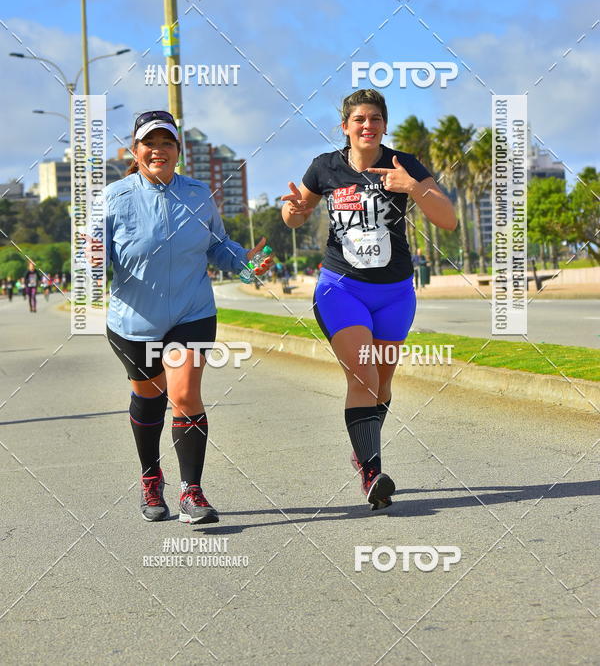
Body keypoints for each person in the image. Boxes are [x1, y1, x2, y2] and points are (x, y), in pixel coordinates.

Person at [281, 89, 457, 511]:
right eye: (359, 119)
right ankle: (372, 472)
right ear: (345, 127)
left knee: (382, 383)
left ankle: (363, 456)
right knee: (362, 377)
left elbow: (448, 220)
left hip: (395, 293)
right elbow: (294, 215)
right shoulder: (325, 167)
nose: (367, 125)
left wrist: (412, 187)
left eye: (375, 118)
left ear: (384, 125)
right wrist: (293, 210)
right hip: (341, 287)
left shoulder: (403, 165)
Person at [102, 110, 272, 525]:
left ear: (178, 151)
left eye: (166, 143)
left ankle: (191, 491)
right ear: (135, 151)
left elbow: (218, 246)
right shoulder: (113, 197)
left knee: (183, 395)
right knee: (149, 397)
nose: (157, 150)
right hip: (134, 321)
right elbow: (93, 260)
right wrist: (83, 268)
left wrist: (245, 264)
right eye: (149, 143)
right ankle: (150, 477)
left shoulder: (198, 194)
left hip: (192, 313)